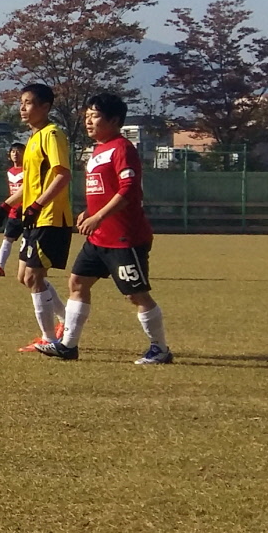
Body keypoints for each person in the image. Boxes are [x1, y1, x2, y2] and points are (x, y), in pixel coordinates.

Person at [46, 92, 174, 364]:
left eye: (95, 116)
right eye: (87, 116)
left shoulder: (122, 148)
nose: (89, 122)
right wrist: (89, 213)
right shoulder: (98, 149)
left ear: (114, 120)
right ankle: (68, 345)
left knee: (135, 295)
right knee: (77, 281)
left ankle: (160, 349)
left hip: (124, 237)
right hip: (99, 235)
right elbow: (104, 191)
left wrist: (98, 217)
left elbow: (128, 191)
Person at [12, 83, 73, 355]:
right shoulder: (33, 138)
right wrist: (8, 205)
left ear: (45, 107)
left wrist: (38, 204)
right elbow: (31, 183)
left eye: (28, 103)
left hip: (51, 218)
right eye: (21, 102)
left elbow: (63, 175)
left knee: (35, 278)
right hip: (35, 219)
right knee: (24, 278)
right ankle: (62, 322)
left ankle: (50, 340)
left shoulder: (52, 134)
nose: (22, 108)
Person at [0, 136, 27, 276]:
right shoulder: (10, 172)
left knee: (32, 242)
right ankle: (0, 267)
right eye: (13, 151)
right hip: (14, 212)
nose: (16, 154)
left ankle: (38, 268)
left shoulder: (29, 170)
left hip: (29, 212)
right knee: (7, 239)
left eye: (19, 151)